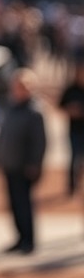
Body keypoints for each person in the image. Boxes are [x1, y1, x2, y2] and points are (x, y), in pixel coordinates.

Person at [0, 68, 47, 255]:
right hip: (10, 163)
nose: (18, 90)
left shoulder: (34, 111)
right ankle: (19, 237)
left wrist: (35, 163)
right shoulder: (10, 108)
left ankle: (28, 240)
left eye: (23, 86)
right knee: (14, 204)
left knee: (24, 204)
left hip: (25, 166)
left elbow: (39, 141)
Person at [58, 63, 84, 197]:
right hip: (74, 130)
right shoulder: (71, 90)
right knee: (74, 158)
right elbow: (60, 105)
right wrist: (70, 110)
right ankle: (72, 186)